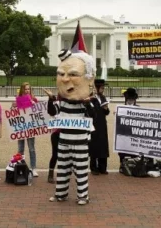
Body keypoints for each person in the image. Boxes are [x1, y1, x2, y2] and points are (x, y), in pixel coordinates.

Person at [44, 49, 96, 205]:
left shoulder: (85, 103)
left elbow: (92, 116)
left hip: (80, 141)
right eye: (61, 74)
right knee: (63, 170)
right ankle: (61, 194)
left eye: (73, 74)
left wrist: (87, 103)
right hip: (64, 140)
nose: (65, 79)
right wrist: (51, 100)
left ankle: (83, 196)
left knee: (81, 171)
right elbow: (53, 112)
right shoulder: (64, 102)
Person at [13, 82, 39, 177]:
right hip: (21, 126)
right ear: (22, 90)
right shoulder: (18, 100)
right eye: (25, 89)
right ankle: (21, 166)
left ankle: (33, 168)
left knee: (31, 148)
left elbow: (39, 113)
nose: (27, 90)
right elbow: (13, 114)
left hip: (30, 126)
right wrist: (13, 107)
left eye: (29, 89)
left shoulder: (34, 99)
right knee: (20, 148)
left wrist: (34, 105)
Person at [89, 79, 110, 175]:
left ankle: (103, 167)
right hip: (94, 124)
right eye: (102, 88)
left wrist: (106, 109)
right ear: (97, 88)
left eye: (103, 88)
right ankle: (94, 167)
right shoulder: (91, 98)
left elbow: (106, 112)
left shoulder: (103, 97)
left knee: (103, 145)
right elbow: (89, 111)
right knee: (94, 145)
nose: (103, 90)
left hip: (102, 124)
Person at [118, 88, 139, 173]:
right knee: (123, 151)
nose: (131, 101)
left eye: (132, 99)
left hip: (134, 133)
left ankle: (133, 166)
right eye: (129, 99)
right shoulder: (121, 108)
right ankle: (122, 165)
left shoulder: (138, 108)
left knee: (134, 151)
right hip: (124, 133)